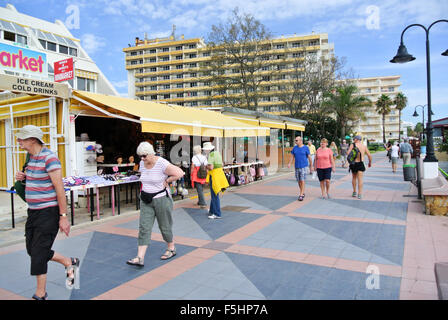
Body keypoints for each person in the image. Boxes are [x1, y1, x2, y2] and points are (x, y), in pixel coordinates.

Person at [14, 125, 79, 300]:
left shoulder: (50, 158)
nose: (18, 141)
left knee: (39, 254)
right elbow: (37, 180)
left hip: (48, 212)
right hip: (33, 212)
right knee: (32, 250)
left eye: (22, 138)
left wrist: (63, 217)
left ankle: (40, 294)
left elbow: (59, 187)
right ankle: (68, 262)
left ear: (33, 140)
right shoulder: (31, 158)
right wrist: (24, 177)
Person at [127, 141, 184, 267]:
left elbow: (180, 173)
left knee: (165, 226)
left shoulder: (162, 163)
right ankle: (140, 257)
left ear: (152, 153)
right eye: (140, 156)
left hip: (161, 199)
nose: (142, 159)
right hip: (145, 199)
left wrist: (168, 180)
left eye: (145, 156)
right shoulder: (142, 163)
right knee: (144, 227)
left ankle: (171, 248)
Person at [203, 142, 229, 219]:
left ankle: (217, 213)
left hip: (214, 176)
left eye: (205, 149)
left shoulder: (211, 155)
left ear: (208, 149)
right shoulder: (217, 153)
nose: (205, 151)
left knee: (214, 195)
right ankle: (211, 210)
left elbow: (211, 167)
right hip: (219, 175)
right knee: (214, 194)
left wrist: (206, 166)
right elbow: (222, 164)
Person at [287, 136, 313, 201]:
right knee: (298, 180)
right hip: (297, 166)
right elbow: (292, 156)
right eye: (295, 140)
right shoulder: (294, 148)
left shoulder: (306, 148)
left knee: (302, 180)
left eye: (296, 140)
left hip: (304, 166)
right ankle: (302, 191)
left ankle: (301, 194)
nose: (295, 141)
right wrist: (289, 163)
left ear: (301, 141)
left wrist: (311, 166)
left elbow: (309, 157)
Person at [347, 135, 372, 199]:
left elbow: (348, 153)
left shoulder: (352, 145)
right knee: (360, 179)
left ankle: (354, 192)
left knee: (354, 178)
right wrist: (370, 163)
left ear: (356, 139)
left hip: (353, 163)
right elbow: (369, 155)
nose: (353, 140)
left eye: (354, 139)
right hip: (361, 163)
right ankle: (359, 194)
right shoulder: (364, 146)